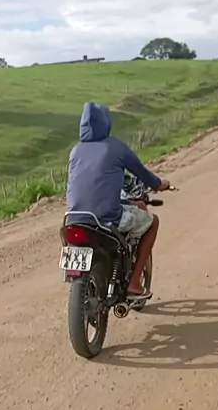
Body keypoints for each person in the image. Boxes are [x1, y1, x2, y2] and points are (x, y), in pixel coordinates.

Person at [66, 102, 170, 299]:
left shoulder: (75, 151)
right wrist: (159, 184)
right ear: (106, 123)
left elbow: (92, 192)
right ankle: (134, 282)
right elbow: (142, 173)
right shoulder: (115, 147)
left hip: (73, 218)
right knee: (152, 222)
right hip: (106, 218)